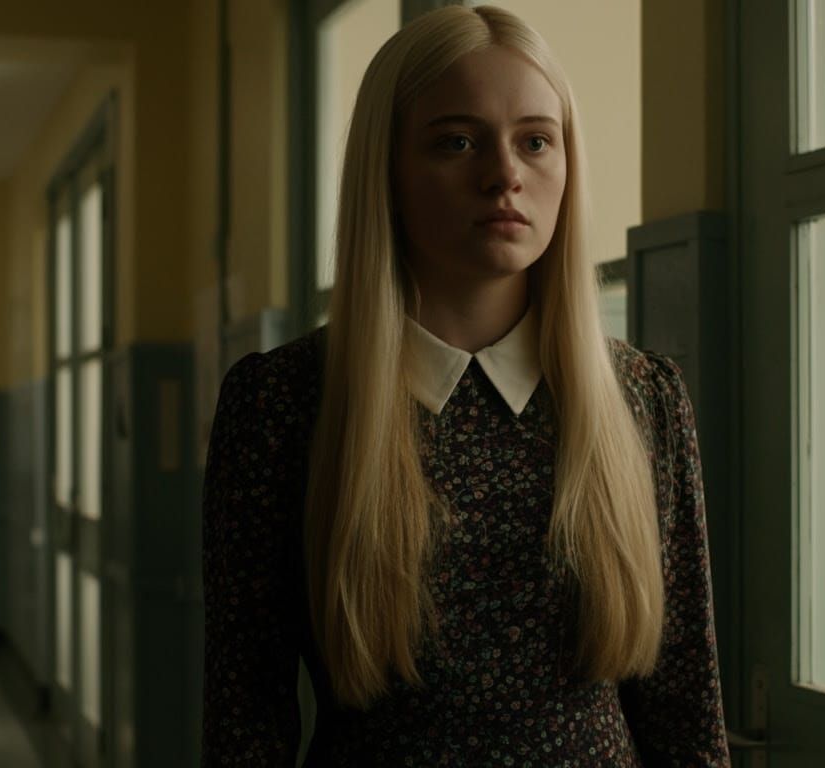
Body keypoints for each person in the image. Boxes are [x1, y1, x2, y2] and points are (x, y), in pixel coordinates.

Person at [202, 5, 729, 765]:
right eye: (456, 141)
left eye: (536, 141)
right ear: (386, 167)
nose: (504, 175)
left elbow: (687, 709)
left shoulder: (642, 397)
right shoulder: (281, 403)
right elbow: (244, 718)